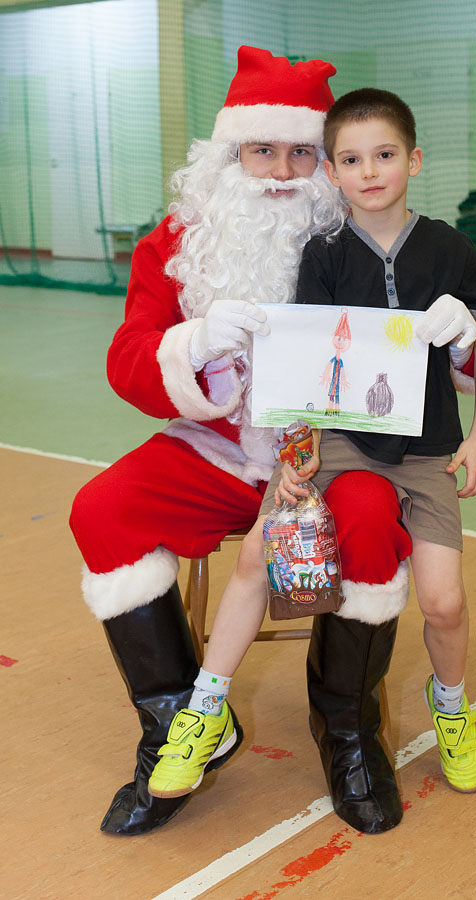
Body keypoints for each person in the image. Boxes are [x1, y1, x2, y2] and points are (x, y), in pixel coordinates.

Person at [145, 88, 476, 834]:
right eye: (351, 159)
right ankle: (202, 712)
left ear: (413, 159)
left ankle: (450, 707)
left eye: (385, 155)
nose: (370, 171)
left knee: (444, 602)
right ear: (332, 174)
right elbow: (307, 360)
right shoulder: (325, 252)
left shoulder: (450, 249)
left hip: (428, 450)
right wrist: (297, 454)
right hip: (338, 442)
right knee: (259, 557)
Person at [69, 45, 345, 836]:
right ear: (229, 155)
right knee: (102, 510)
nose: (283, 172)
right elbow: (128, 358)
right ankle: (182, 723)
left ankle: (349, 733)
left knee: (366, 521)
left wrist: (459, 341)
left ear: (326, 161)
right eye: (263, 150)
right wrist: (190, 344)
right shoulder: (179, 241)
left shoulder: (354, 237)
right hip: (216, 450)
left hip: (329, 460)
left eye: (302, 152)